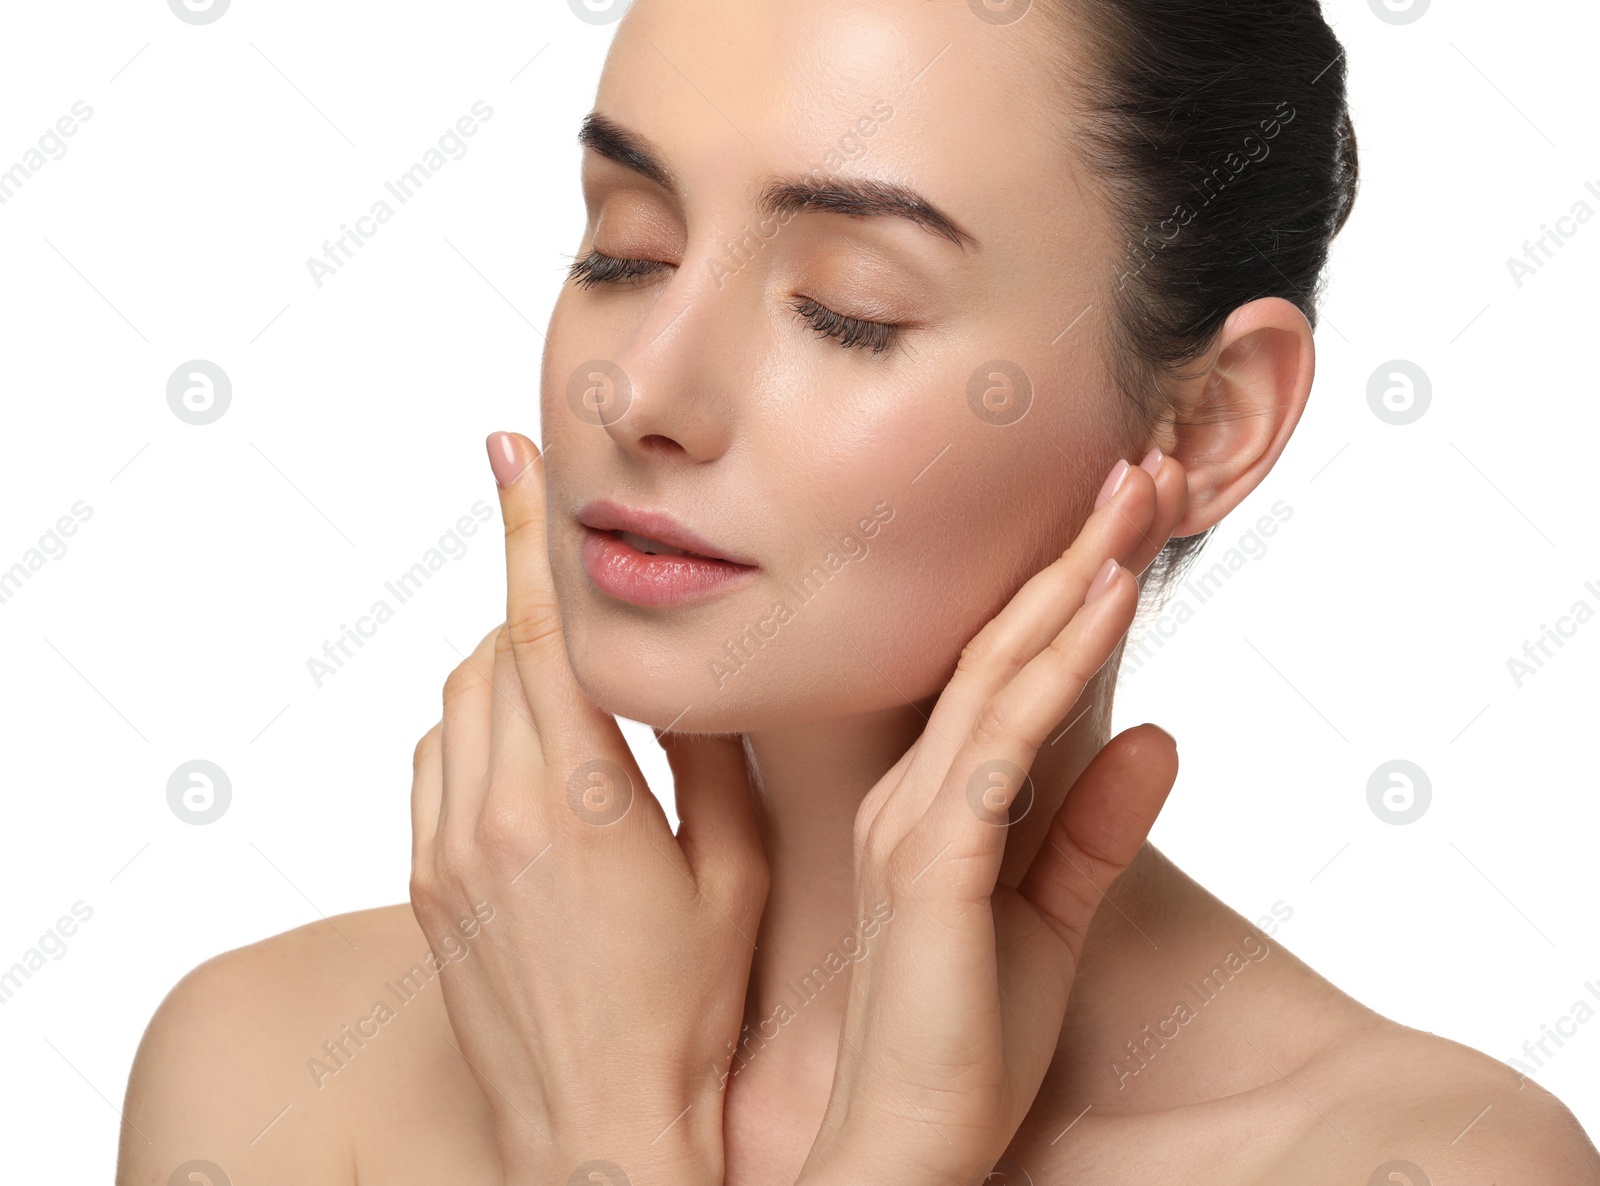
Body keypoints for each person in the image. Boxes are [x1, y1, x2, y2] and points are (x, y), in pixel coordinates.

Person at [117, 1, 1600, 1182]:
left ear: (1205, 424)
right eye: (624, 250)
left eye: (849, 309)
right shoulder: (260, 1074)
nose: (640, 388)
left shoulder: (1411, 1160)